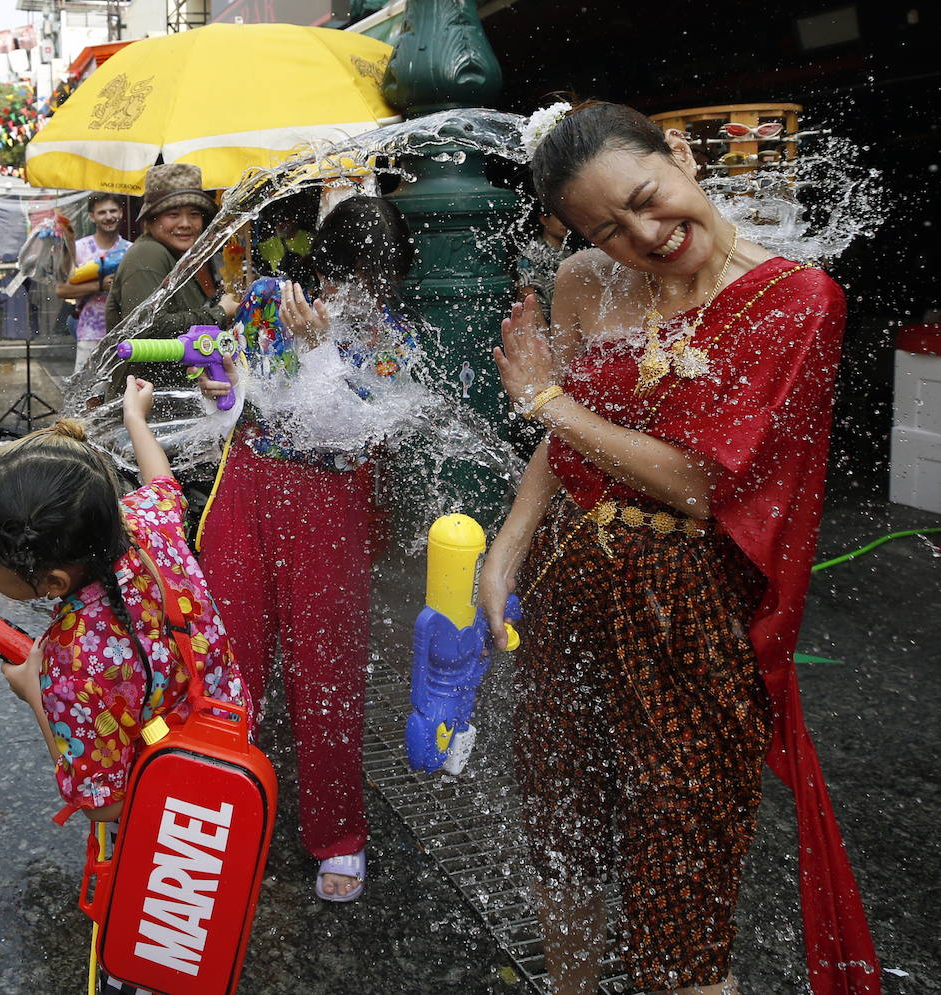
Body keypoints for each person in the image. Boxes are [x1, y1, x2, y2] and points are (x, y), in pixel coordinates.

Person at [479, 101, 877, 995]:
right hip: (569, 582)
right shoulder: (587, 282)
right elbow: (568, 428)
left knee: (682, 887)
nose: (645, 236)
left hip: (691, 619)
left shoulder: (797, 298)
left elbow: (703, 481)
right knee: (565, 828)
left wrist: (548, 401)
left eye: (649, 199)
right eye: (609, 230)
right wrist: (507, 545)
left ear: (682, 155)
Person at [194, 196, 418, 902]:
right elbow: (226, 399)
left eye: (377, 282)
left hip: (330, 502)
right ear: (325, 263)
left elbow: (350, 429)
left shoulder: (393, 340)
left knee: (326, 672)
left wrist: (321, 352)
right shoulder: (266, 299)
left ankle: (337, 833)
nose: (357, 295)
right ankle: (212, 820)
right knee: (229, 655)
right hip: (249, 485)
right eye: (349, 275)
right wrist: (215, 382)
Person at [0, 378, 250, 824]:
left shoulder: (73, 662)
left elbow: (107, 804)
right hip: (230, 736)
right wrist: (136, 419)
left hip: (171, 807)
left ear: (53, 582)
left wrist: (35, 693)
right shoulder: (144, 525)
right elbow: (163, 482)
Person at [104, 163, 238, 339]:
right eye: (173, 215)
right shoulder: (147, 253)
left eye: (194, 214)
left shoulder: (181, 256)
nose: (185, 224)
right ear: (150, 220)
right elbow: (145, 328)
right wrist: (220, 313)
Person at [55, 193, 131, 373]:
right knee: (87, 391)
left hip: (125, 333)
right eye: (102, 212)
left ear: (121, 213)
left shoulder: (132, 250)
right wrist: (99, 286)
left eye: (113, 211)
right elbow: (61, 290)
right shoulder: (80, 248)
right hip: (89, 332)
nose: (109, 216)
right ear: (92, 217)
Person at [513, 203, 573, 320]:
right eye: (559, 218)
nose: (565, 223)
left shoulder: (566, 251)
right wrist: (546, 332)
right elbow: (526, 291)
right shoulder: (533, 252)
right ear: (544, 220)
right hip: (545, 321)